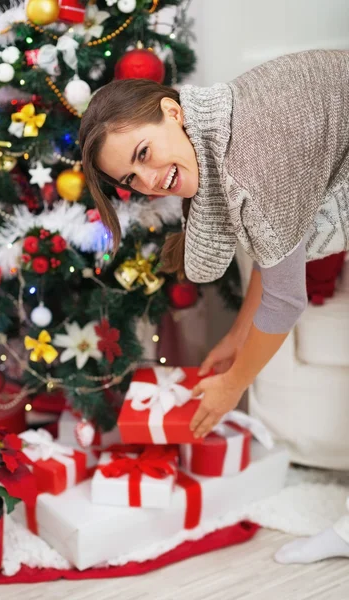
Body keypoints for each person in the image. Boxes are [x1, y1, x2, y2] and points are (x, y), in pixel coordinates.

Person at [79, 49, 349, 563]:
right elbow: (279, 249)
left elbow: (287, 298)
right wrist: (236, 337)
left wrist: (232, 386)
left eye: (142, 154)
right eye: (132, 180)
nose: (150, 179)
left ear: (172, 112)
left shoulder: (251, 161)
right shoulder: (221, 125)